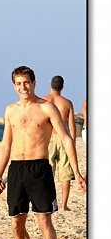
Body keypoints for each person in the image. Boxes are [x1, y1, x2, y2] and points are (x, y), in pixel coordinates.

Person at [0, 66, 86, 239]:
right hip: (16, 169)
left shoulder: (47, 108)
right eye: (18, 83)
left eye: (26, 82)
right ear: (14, 85)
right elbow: (6, 144)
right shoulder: (10, 110)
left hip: (39, 168)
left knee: (44, 220)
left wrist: (77, 172)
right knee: (16, 222)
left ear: (34, 83)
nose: (22, 87)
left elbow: (65, 139)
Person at [41, 76, 76, 211]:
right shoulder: (67, 103)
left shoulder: (43, 101)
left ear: (50, 85)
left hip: (48, 138)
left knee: (47, 172)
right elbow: (72, 126)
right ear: (62, 87)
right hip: (63, 138)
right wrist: (72, 142)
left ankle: (47, 202)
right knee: (65, 173)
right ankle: (64, 205)